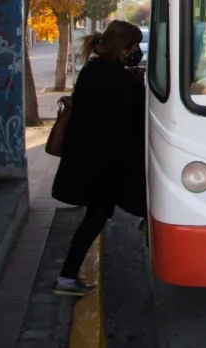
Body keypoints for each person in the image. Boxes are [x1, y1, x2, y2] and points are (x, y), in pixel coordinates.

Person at [51, 20, 147, 296]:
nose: (136, 51)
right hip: (107, 167)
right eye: (133, 46)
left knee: (96, 217)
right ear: (121, 47)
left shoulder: (94, 70)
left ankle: (66, 279)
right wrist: (137, 84)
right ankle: (66, 279)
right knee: (147, 205)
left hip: (95, 163)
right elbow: (137, 111)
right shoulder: (115, 78)